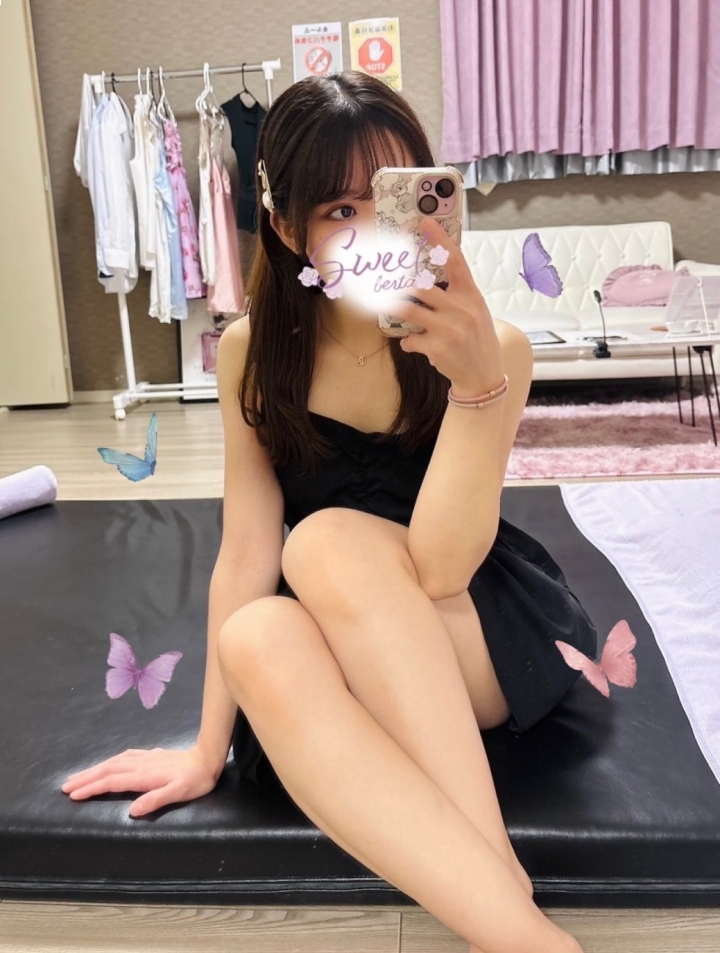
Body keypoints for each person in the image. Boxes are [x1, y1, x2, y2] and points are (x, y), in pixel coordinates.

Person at [61, 71, 594, 953]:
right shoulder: (252, 352)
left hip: (474, 629)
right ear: (285, 226)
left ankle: (500, 884)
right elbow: (245, 551)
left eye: (394, 199)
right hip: (345, 630)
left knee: (324, 542)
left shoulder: (492, 346)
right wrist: (205, 749)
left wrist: (474, 387)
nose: (375, 234)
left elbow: (443, 569)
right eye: (342, 210)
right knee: (255, 633)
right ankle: (524, 932)